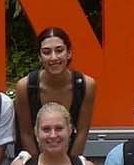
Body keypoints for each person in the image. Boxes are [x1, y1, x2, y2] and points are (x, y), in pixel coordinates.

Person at [14, 27, 97, 158]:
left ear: (69, 53)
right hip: (33, 158)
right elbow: (26, 133)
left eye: (59, 50)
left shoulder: (86, 85)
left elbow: (82, 132)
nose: (54, 57)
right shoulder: (25, 86)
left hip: (69, 158)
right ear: (40, 57)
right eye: (46, 52)